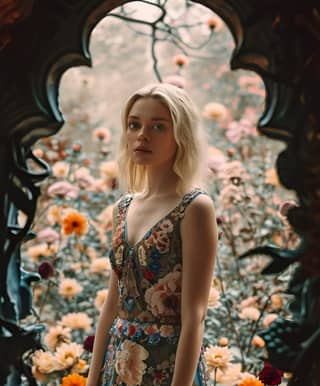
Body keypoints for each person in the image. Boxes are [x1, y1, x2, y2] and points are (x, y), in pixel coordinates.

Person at [87, 83, 218, 386]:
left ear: (180, 135)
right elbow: (111, 305)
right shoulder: (123, 207)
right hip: (117, 366)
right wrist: (92, 380)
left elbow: (195, 315)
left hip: (167, 368)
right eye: (134, 125)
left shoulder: (194, 208)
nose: (142, 135)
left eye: (158, 126)